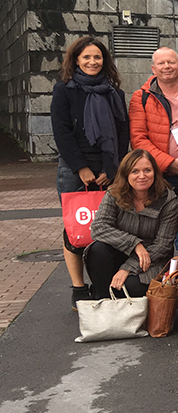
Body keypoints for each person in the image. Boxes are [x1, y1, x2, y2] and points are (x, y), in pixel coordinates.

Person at [51, 36, 129, 308]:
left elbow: (122, 133)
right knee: (76, 229)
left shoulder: (114, 93)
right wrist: (82, 168)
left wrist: (113, 169)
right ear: (76, 60)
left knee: (109, 227)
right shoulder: (64, 90)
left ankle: (102, 281)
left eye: (97, 57)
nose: (93, 62)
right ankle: (78, 287)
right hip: (74, 170)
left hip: (108, 169)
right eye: (86, 57)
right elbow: (61, 132)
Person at [86, 149, 178, 299]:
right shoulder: (114, 193)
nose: (142, 176)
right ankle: (104, 304)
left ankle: (129, 310)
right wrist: (135, 244)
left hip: (152, 259)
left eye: (147, 170)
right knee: (97, 249)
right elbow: (99, 228)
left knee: (129, 287)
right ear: (126, 174)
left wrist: (128, 268)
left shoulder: (168, 200)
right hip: (121, 250)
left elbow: (163, 245)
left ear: (155, 173)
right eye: (135, 171)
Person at [130, 47, 178, 192]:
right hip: (160, 173)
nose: (166, 66)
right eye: (161, 63)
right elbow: (138, 138)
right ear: (153, 68)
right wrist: (168, 163)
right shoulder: (141, 97)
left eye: (171, 62)